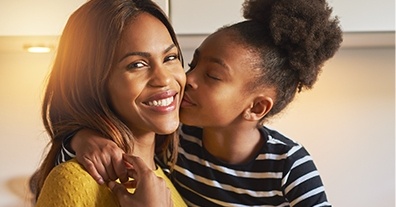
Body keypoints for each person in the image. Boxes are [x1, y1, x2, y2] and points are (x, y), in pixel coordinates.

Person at [58, 0, 343, 206]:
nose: (187, 78)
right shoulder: (176, 141)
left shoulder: (289, 166)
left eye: (213, 75)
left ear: (256, 108)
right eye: (192, 63)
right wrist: (81, 138)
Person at [28, 0, 188, 206]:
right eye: (137, 64)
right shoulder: (73, 182)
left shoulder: (166, 177)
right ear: (92, 83)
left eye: (170, 57)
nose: (164, 79)